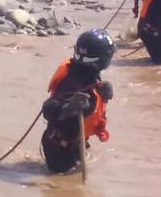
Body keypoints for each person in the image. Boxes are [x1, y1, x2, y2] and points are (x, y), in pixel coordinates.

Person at [41, 29, 116, 174]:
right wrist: (69, 107)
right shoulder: (73, 81)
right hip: (60, 150)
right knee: (64, 190)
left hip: (73, 143)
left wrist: (101, 88)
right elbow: (48, 109)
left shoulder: (87, 72)